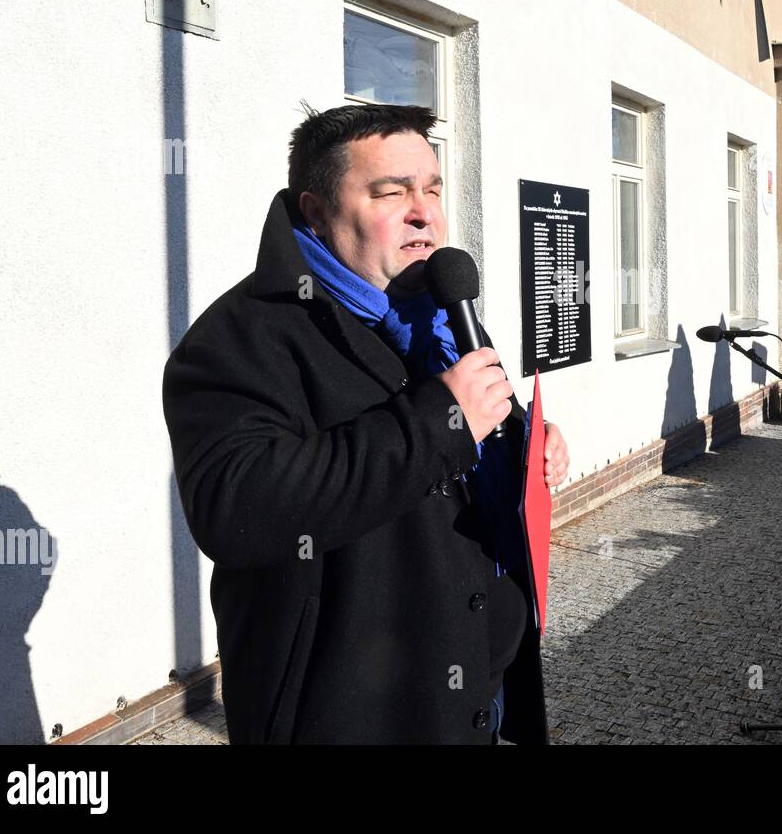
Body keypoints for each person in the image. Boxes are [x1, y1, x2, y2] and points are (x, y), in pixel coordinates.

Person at [162, 102, 568, 744]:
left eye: (432, 189)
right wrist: (443, 422)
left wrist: (527, 441)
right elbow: (237, 508)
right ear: (317, 212)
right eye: (392, 192)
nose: (424, 212)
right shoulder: (240, 337)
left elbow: (481, 417)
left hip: (478, 692)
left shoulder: (441, 315)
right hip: (356, 718)